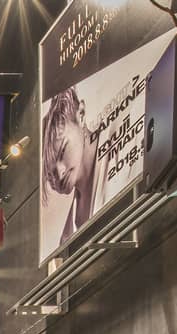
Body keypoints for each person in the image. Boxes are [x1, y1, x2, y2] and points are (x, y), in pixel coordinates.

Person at [41, 86, 104, 246]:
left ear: (81, 115)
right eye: (50, 173)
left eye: (62, 151)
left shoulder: (124, 154)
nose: (59, 174)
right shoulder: (66, 235)